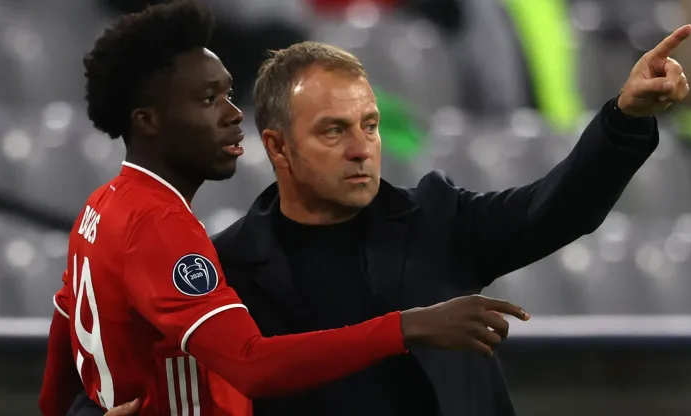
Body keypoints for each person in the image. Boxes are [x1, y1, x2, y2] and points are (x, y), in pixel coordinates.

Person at [89, 17, 691, 416]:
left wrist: (625, 117)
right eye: (334, 131)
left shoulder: (438, 220)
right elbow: (118, 376)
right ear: (278, 148)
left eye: (369, 126)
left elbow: (558, 208)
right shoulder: (224, 269)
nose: (362, 148)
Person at [37, 2, 533, 416]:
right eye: (209, 100)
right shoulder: (159, 227)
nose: (235, 115)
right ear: (148, 122)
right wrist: (407, 326)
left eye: (229, 95)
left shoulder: (100, 208)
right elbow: (253, 365)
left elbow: (62, 351)